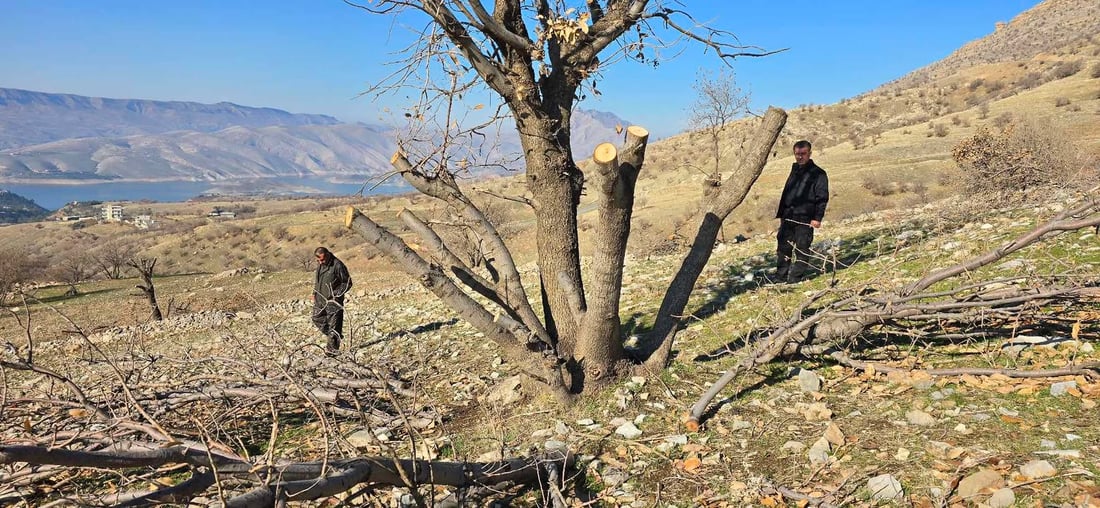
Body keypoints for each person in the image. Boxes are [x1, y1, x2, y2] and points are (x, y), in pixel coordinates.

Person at [774, 140, 829, 283]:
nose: (800, 157)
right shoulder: (794, 170)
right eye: (797, 154)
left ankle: (795, 279)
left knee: (802, 248)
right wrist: (782, 214)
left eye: (803, 154)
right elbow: (787, 194)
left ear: (809, 153)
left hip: (805, 217)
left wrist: (817, 218)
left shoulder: (819, 173)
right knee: (783, 248)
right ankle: (780, 278)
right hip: (788, 216)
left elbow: (822, 197)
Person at [312, 247, 352, 353]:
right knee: (316, 318)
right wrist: (314, 293)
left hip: (333, 302)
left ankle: (332, 351)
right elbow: (318, 281)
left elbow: (347, 282)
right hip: (320, 299)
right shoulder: (320, 265)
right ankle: (335, 336)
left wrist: (336, 294)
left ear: (328, 254)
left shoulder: (337, 265)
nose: (321, 262)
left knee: (334, 326)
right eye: (319, 260)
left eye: (323, 259)